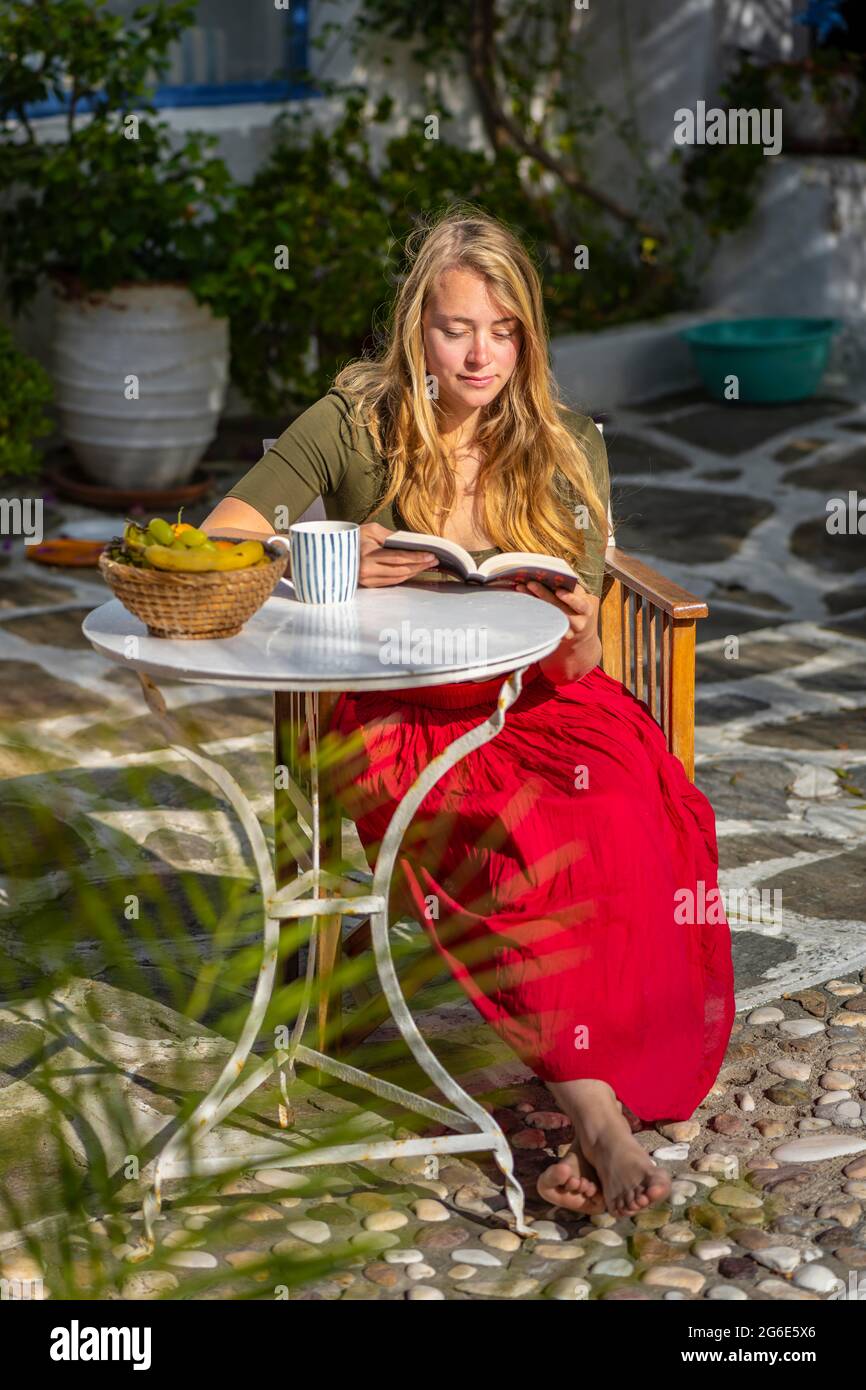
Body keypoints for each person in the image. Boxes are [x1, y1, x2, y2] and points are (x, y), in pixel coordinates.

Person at [202, 205, 736, 1218]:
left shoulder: (565, 442)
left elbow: (581, 650)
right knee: (514, 837)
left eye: (503, 330)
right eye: (457, 328)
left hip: (534, 697)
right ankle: (598, 1121)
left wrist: (580, 620)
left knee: (620, 805)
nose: (480, 353)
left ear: (526, 336)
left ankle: (593, 1108)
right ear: (418, 331)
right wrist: (324, 553)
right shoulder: (352, 423)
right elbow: (222, 532)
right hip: (397, 707)